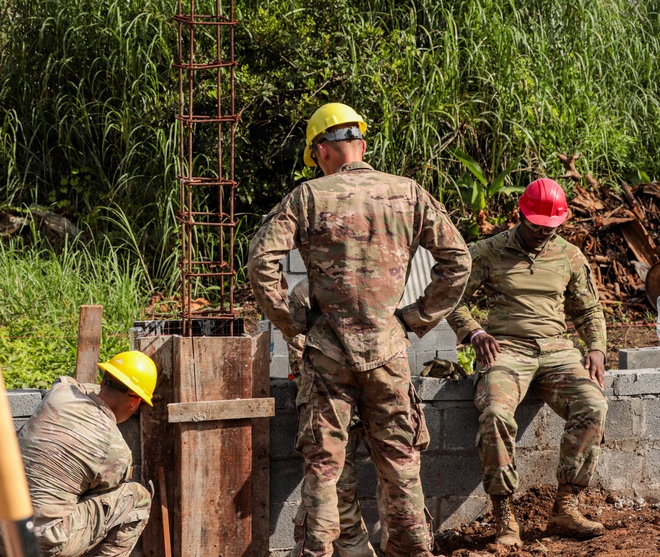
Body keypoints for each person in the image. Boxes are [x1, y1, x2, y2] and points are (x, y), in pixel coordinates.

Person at [249, 102, 471, 557]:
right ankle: (412, 550)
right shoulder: (408, 193)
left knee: (324, 466)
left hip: (328, 355)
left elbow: (261, 262)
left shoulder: (308, 197)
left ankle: (320, 551)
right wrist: (414, 319)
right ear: (361, 145)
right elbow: (458, 261)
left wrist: (294, 323)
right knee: (401, 463)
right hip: (388, 352)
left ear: (323, 149)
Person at [447, 177, 608, 546]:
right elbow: (453, 299)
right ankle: (505, 515)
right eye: (536, 225)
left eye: (551, 227)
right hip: (505, 350)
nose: (542, 233)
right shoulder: (488, 251)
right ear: (521, 214)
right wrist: (474, 333)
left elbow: (589, 309)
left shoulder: (568, 255)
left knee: (593, 405)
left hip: (557, 351)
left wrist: (596, 346)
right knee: (495, 414)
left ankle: (565, 506)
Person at [0, 351, 157, 557]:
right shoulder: (116, 450)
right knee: (137, 497)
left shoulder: (60, 392)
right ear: (135, 402)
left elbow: (72, 383)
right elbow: (101, 494)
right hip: (40, 543)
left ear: (103, 381)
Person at [288, 280, 384, 557]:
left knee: (345, 492)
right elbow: (300, 353)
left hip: (370, 401)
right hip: (329, 408)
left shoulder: (375, 281)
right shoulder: (306, 293)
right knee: (334, 491)